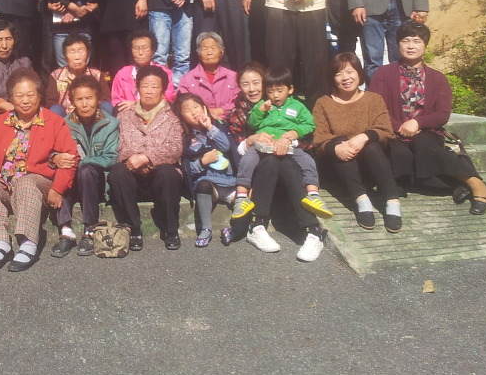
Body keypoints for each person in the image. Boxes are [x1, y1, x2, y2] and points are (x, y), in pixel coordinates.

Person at [0, 68, 79, 273]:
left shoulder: (54, 121)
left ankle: (28, 243)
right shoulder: (1, 121)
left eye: (30, 95)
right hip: (5, 181)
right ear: (11, 98)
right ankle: (0, 243)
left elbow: (71, 158)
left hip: (37, 183)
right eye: (19, 96)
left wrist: (58, 189)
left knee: (26, 182)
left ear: (39, 96)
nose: (25, 100)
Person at [369, 22, 486, 214]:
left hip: (426, 133)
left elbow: (442, 114)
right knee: (400, 156)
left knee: (423, 145)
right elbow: (375, 109)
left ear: (425, 45)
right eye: (405, 41)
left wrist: (418, 122)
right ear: (397, 44)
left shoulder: (438, 78)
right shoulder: (383, 74)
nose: (411, 46)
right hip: (393, 134)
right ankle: (453, 184)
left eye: (416, 41)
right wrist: (400, 127)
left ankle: (475, 183)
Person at [225, 62, 331, 241]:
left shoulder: (295, 106)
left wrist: (291, 137)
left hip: (287, 161)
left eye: (256, 83)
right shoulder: (246, 111)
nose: (252, 89)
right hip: (260, 170)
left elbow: (309, 133)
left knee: (301, 161)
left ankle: (312, 218)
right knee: (266, 160)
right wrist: (250, 140)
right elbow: (244, 140)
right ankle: (253, 216)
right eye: (245, 84)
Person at [312, 53, 403, 232]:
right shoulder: (323, 103)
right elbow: (319, 138)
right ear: (332, 78)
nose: (345, 78)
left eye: (350, 71)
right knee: (340, 141)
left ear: (359, 73)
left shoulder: (373, 99)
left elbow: (386, 130)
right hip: (340, 169)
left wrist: (364, 136)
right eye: (339, 74)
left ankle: (392, 200)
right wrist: (335, 148)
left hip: (372, 166)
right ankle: (362, 200)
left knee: (371, 145)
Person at [107, 65, 185, 251]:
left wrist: (147, 158)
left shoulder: (173, 115)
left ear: (163, 90)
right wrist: (133, 160)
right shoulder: (125, 115)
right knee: (117, 172)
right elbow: (119, 146)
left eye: (154, 87)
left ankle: (171, 229)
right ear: (138, 88)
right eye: (145, 86)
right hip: (133, 174)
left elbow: (175, 148)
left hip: (160, 176)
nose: (149, 91)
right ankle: (133, 228)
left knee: (168, 172)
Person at [49, 74, 119, 257]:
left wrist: (82, 161)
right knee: (62, 171)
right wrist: (56, 158)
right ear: (72, 102)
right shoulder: (65, 124)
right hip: (73, 179)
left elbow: (111, 158)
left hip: (97, 181)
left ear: (98, 99)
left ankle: (90, 229)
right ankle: (66, 231)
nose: (85, 104)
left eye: (89, 98)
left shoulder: (110, 123)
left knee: (86, 170)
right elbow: (54, 151)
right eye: (79, 99)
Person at [177, 93, 236, 248]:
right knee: (203, 185)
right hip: (210, 184)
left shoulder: (217, 126)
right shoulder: (186, 138)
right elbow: (187, 169)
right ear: (182, 116)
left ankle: (234, 229)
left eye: (196, 106)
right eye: (188, 110)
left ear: (204, 107)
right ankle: (206, 229)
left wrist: (210, 127)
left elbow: (226, 146)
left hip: (230, 182)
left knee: (245, 198)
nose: (194, 112)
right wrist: (202, 162)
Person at [44, 33, 111, 117]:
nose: (77, 57)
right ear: (65, 56)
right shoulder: (56, 75)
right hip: (66, 117)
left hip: (93, 115)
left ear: (88, 54)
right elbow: (51, 102)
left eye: (81, 51)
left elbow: (105, 98)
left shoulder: (96, 75)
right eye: (72, 52)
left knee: (106, 105)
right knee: (55, 109)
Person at [110, 29, 177, 113]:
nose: (140, 52)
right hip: (130, 114)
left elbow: (169, 99)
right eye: (136, 48)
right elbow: (117, 102)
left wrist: (137, 104)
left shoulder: (164, 73)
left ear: (153, 51)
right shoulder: (122, 74)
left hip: (157, 113)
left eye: (145, 48)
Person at [177, 32, 239, 120]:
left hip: (230, 122)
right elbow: (184, 105)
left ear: (222, 51)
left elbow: (239, 102)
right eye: (205, 49)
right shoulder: (187, 79)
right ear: (199, 53)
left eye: (213, 48)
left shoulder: (233, 77)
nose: (209, 52)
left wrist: (220, 111)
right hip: (199, 122)